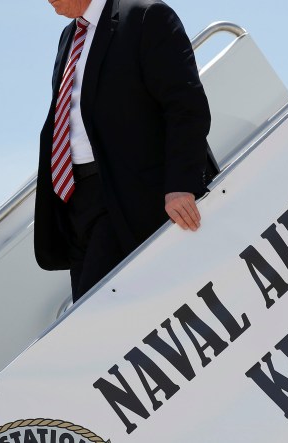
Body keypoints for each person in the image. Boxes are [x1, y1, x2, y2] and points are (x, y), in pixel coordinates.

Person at [35, 0, 217, 302]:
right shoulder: (69, 37)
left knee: (96, 313)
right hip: (76, 206)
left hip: (127, 197)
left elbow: (186, 107)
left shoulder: (146, 16)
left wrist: (181, 185)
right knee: (86, 313)